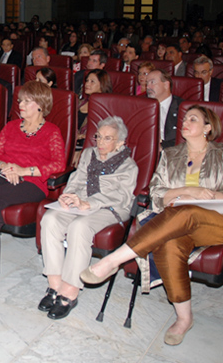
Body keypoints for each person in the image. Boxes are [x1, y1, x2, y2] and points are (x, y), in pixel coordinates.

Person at [81, 105, 223, 346]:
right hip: (177, 221)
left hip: (220, 221)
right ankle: (184, 318)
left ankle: (114, 259)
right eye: (184, 118)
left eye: (193, 119)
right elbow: (156, 194)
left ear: (207, 128)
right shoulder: (170, 155)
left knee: (188, 211)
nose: (185, 122)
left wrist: (204, 196)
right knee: (168, 245)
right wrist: (187, 191)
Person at [0, 81, 65, 290]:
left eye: (27, 101)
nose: (21, 105)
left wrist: (23, 170)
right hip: (3, 175)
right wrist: (6, 166)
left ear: (40, 104)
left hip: (31, 183)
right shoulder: (10, 127)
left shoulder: (52, 132)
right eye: (20, 101)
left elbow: (58, 164)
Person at [39, 117, 138, 319]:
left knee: (80, 226)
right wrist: (68, 196)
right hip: (80, 203)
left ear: (120, 143)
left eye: (107, 138)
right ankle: (54, 285)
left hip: (109, 208)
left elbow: (122, 196)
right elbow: (76, 180)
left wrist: (90, 203)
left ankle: (69, 291)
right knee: (50, 219)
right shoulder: (87, 154)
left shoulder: (129, 166)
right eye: (98, 137)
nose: (100, 143)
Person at [146, 69, 182, 149]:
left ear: (166, 85)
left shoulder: (182, 107)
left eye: (152, 82)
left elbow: (182, 139)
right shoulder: (141, 105)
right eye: (147, 83)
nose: (148, 87)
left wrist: (162, 147)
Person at [77, 69, 112, 147]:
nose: (87, 84)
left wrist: (84, 136)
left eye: (92, 81)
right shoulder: (79, 102)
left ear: (102, 85)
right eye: (87, 80)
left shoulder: (105, 109)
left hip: (90, 146)